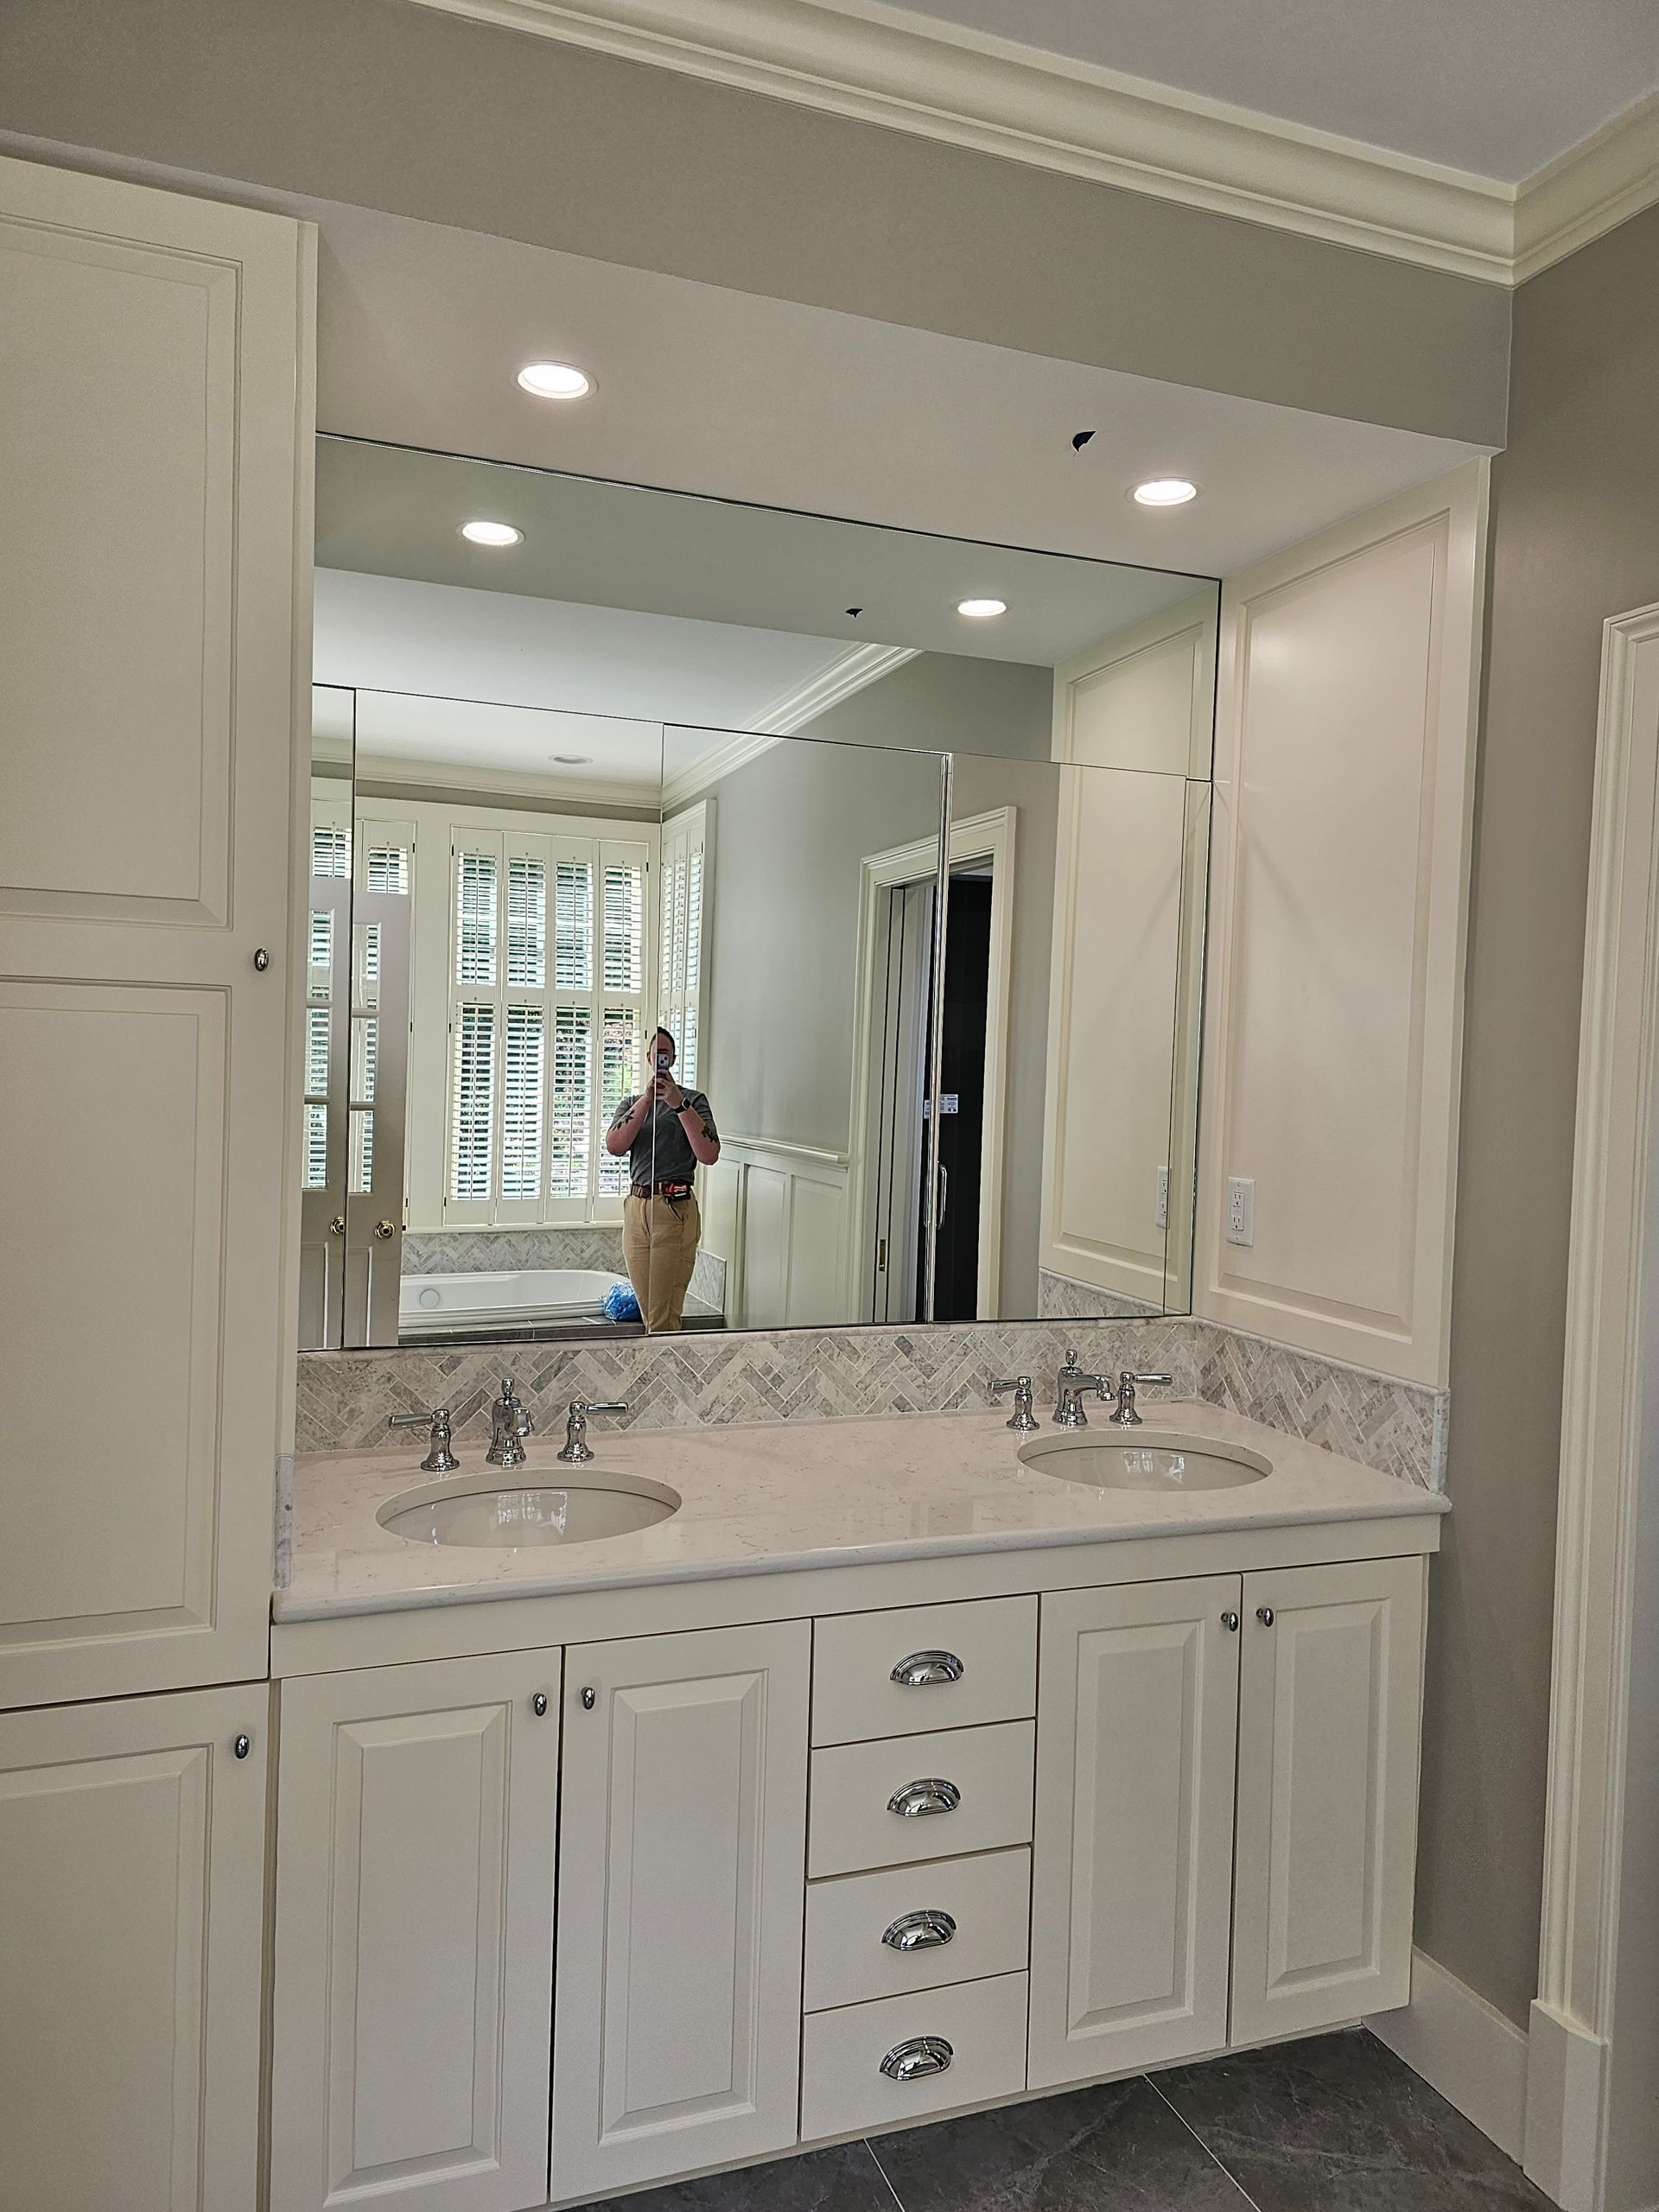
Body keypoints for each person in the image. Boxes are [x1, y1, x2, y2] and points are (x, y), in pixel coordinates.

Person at [605, 1027, 721, 1332]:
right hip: (636, 1209)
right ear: (648, 1058)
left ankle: (661, 1375)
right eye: (656, 1054)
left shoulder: (694, 1101)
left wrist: (679, 1104)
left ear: (674, 1059)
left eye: (666, 1055)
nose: (661, 1060)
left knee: (661, 1319)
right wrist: (646, 1100)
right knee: (652, 1316)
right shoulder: (632, 1102)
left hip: (673, 1207)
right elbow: (614, 1145)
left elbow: (709, 1154)